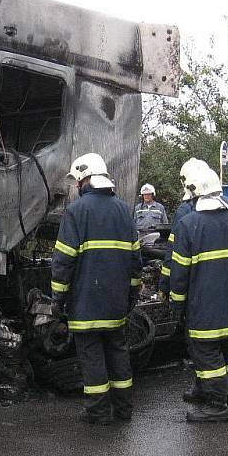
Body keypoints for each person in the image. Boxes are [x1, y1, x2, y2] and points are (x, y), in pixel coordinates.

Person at [51, 153, 143, 424]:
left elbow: (64, 260)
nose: (76, 186)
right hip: (116, 302)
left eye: (78, 180)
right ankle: (123, 409)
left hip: (85, 301)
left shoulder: (76, 211)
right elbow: (135, 260)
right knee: (117, 352)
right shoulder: (123, 210)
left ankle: (99, 411)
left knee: (92, 357)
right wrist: (132, 294)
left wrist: (58, 297)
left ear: (86, 179)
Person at [168, 158, 228, 422]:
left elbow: (180, 273)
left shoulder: (189, 225)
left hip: (204, 307)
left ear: (194, 192)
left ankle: (216, 405)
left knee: (207, 356)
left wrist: (177, 304)